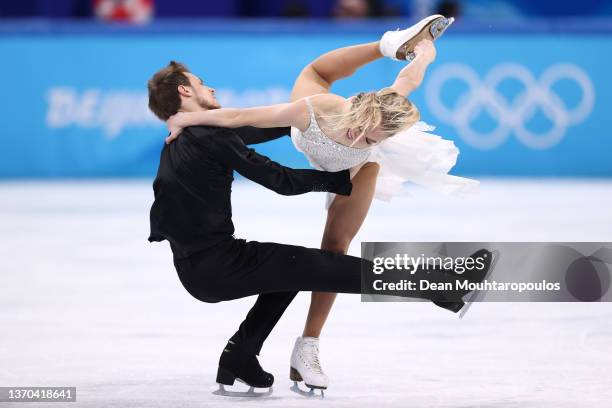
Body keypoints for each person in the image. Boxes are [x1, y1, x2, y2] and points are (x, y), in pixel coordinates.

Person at [164, 14, 477, 391]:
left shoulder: (372, 145)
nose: (364, 138)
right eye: (366, 132)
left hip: (354, 171)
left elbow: (408, 80)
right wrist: (185, 119)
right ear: (361, 115)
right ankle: (386, 44)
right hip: (312, 131)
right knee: (316, 74)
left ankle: (306, 346)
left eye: (374, 137)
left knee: (333, 251)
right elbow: (242, 117)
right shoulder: (319, 108)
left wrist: (425, 54)